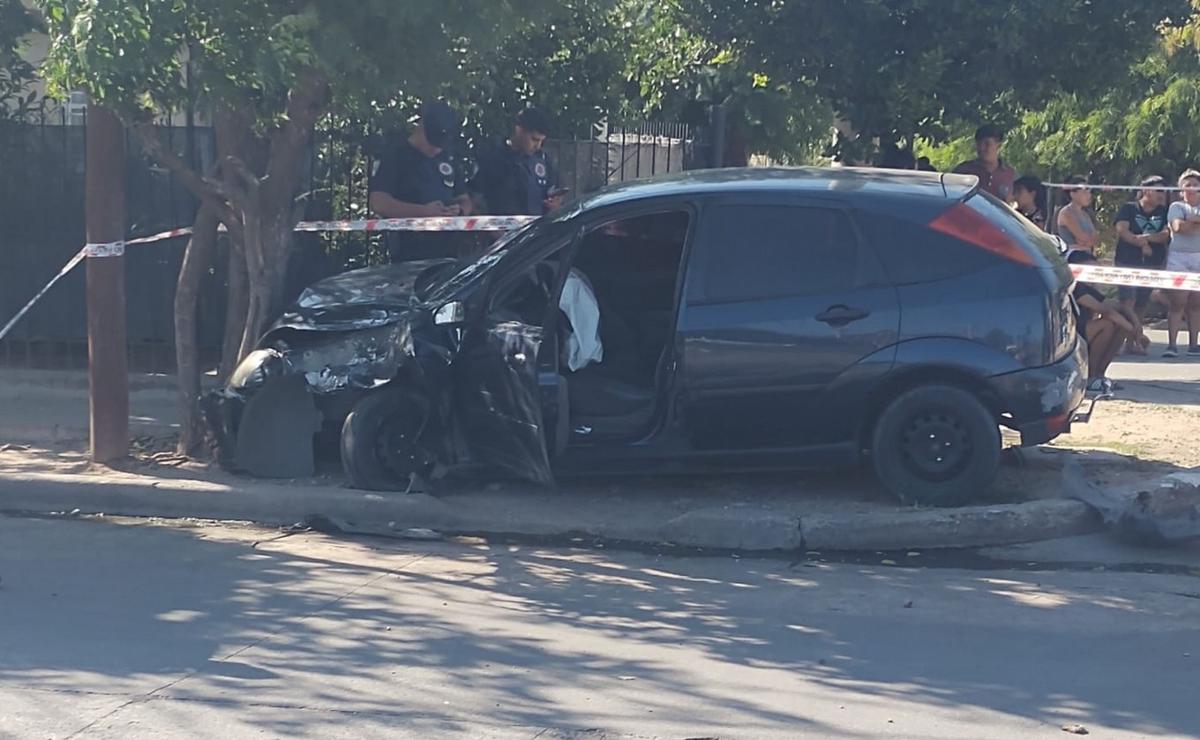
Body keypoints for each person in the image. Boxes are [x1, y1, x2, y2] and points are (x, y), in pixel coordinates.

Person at [368, 100, 473, 263]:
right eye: (433, 142)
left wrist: (458, 211)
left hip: (448, 255)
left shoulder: (448, 157)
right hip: (409, 254)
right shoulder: (397, 155)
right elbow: (379, 202)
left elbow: (464, 198)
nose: (437, 149)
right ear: (422, 128)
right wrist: (423, 212)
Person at [1113, 175, 1170, 355]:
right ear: (1146, 190)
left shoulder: (1164, 211)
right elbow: (1122, 230)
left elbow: (1165, 234)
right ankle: (1116, 342)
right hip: (1127, 261)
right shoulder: (1129, 209)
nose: (1162, 195)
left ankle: (1133, 342)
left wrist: (1145, 239)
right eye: (1159, 190)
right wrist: (1141, 244)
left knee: (1141, 304)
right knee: (1127, 301)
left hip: (1152, 263)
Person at [471, 108, 564, 217]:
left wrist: (555, 203)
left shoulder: (543, 160)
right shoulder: (493, 158)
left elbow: (555, 191)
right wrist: (493, 230)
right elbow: (474, 199)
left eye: (541, 141)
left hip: (537, 231)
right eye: (534, 139)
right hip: (503, 231)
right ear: (519, 131)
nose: (538, 146)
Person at [1067, 250, 1135, 391]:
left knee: (1118, 325)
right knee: (1106, 325)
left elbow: (1118, 306)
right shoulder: (1074, 287)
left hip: (1083, 330)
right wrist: (1133, 331)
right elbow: (1105, 310)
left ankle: (1100, 374)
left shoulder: (1088, 288)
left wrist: (1136, 324)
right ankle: (1090, 376)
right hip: (1070, 332)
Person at [1164, 169, 1200, 357]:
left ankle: (1194, 344)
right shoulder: (1176, 207)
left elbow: (1188, 226)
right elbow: (1178, 227)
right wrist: (1193, 223)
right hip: (1178, 257)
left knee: (1196, 303)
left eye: (1196, 184)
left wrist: (1192, 221)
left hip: (1199, 256)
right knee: (1177, 302)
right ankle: (1172, 344)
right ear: (1181, 189)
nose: (1192, 188)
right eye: (1188, 185)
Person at [953, 124, 1017, 200]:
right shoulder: (964, 170)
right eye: (979, 144)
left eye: (987, 144)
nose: (982, 148)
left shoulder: (1010, 174)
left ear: (998, 146)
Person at [1056, 176, 1100, 253]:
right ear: (1072, 193)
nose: (1089, 195)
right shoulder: (1066, 213)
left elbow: (1095, 239)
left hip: (1087, 254)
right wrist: (1086, 241)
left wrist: (1087, 242)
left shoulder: (1086, 215)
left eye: (1089, 191)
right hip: (1072, 255)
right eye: (1084, 191)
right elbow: (1081, 237)